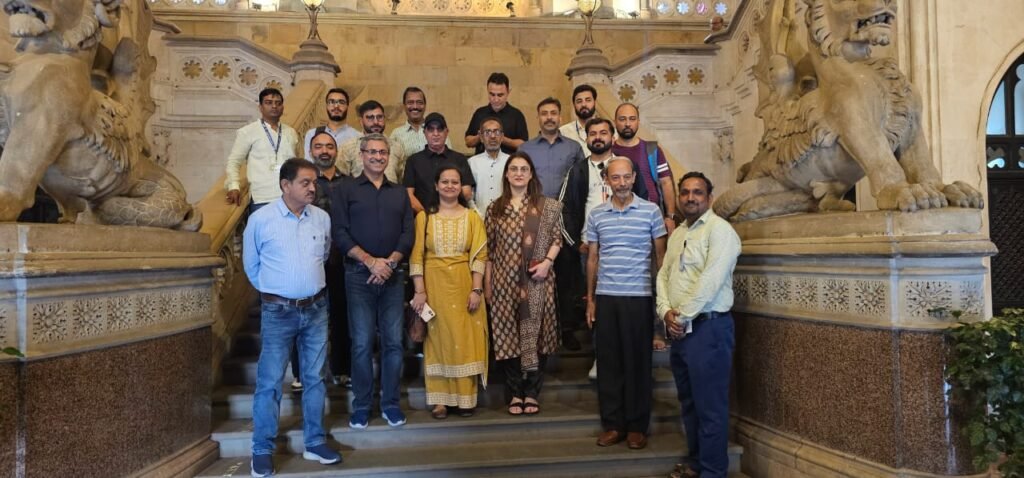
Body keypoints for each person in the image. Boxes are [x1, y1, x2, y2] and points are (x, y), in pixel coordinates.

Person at [243, 158, 341, 477]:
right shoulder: (261, 219)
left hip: (316, 309)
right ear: (286, 185)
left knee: (315, 378)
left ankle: (314, 442)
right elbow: (251, 266)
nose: (313, 188)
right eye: (305, 182)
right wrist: (277, 292)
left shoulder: (322, 218)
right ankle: (262, 448)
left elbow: (323, 256)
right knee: (270, 382)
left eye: (314, 182)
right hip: (278, 311)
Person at [657, 172, 741, 478]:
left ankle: (713, 472)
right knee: (689, 403)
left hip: (709, 330)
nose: (690, 198)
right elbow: (663, 274)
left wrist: (680, 317)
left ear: (709, 198)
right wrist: (665, 311)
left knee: (710, 408)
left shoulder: (721, 231)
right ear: (679, 197)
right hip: (682, 333)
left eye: (698, 192)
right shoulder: (679, 233)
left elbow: (711, 281)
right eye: (685, 192)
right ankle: (696, 464)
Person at [330, 133, 414, 429]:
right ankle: (362, 406)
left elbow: (408, 233)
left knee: (393, 343)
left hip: (393, 276)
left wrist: (389, 263)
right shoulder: (345, 189)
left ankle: (390, 404)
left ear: (389, 156)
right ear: (362, 155)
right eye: (372, 152)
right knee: (362, 343)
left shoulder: (399, 193)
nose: (378, 157)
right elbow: (339, 232)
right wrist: (370, 261)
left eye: (383, 152)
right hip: (358, 275)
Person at [585, 157, 667, 451]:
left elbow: (660, 258)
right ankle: (613, 425)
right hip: (607, 296)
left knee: (637, 363)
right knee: (609, 364)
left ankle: (636, 427)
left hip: (639, 297)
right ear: (607, 180)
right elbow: (592, 259)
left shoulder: (651, 211)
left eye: (626, 177)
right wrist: (591, 300)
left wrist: (662, 301)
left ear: (633, 178)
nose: (621, 183)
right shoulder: (597, 214)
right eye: (615, 177)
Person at [558, 117, 647, 378]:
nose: (598, 137)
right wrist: (577, 244)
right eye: (593, 133)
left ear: (612, 136)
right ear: (586, 139)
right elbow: (564, 210)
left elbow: (643, 199)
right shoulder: (578, 170)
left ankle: (629, 359)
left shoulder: (627, 167)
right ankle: (601, 357)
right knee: (596, 306)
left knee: (625, 307)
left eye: (603, 132)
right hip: (591, 251)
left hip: (626, 249)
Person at [485, 152, 562, 416]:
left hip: (538, 281)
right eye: (514, 169)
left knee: (537, 336)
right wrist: (488, 287)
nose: (519, 173)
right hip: (503, 284)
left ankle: (532, 393)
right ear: (506, 174)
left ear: (531, 175)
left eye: (524, 169)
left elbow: (557, 240)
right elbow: (489, 252)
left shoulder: (545, 207)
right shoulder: (495, 209)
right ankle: (515, 392)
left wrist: (547, 263)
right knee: (508, 337)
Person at [410, 165, 489, 420]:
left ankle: (465, 398)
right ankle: (440, 401)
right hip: (434, 287)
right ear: (436, 186)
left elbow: (479, 256)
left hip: (464, 284)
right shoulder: (424, 218)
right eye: (445, 181)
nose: (450, 186)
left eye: (455, 182)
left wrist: (476, 289)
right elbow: (416, 257)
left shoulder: (472, 217)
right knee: (437, 340)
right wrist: (420, 291)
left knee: (464, 339)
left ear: (462, 187)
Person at [519, 97, 586, 350]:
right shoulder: (526, 148)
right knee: (536, 275)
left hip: (565, 221)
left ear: (560, 117)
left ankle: (566, 329)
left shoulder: (573, 148)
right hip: (534, 220)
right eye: (544, 113)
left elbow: (580, 183)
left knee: (566, 276)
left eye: (553, 113)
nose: (549, 117)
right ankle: (538, 329)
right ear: (538, 117)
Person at [309, 131, 351, 388]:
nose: (324, 151)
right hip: (310, 259)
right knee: (310, 317)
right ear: (311, 151)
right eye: (319, 147)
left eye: (329, 146)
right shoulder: (305, 182)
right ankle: (306, 374)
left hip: (341, 259)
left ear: (336, 152)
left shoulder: (349, 183)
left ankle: (342, 369)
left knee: (341, 315)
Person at [225, 88, 300, 210]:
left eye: (278, 103)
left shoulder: (290, 132)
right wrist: (234, 186)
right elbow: (234, 161)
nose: (274, 106)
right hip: (262, 199)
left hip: (290, 197)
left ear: (282, 107)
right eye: (269, 102)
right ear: (260, 107)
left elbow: (296, 163)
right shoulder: (248, 132)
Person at [612, 103, 677, 233]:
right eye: (622, 119)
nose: (627, 124)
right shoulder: (608, 151)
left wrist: (670, 216)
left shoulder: (652, 149)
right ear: (615, 122)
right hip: (617, 218)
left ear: (638, 121)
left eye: (632, 119)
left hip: (651, 219)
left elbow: (666, 182)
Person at [404, 112, 475, 213]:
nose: (436, 134)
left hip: (454, 217)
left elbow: (467, 193)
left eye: (440, 129)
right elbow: (408, 195)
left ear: (446, 132)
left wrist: (448, 215)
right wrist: (426, 217)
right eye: (431, 129)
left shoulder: (460, 159)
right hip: (423, 217)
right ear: (424, 133)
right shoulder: (413, 161)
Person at [338, 100, 406, 183]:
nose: (376, 122)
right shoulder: (348, 147)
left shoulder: (396, 147)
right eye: (370, 118)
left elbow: (402, 181)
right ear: (361, 121)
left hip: (392, 191)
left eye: (379, 117)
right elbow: (340, 181)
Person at [464, 72, 529, 155]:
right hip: (482, 161)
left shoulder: (516, 115)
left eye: (500, 95)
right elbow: (468, 142)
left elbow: (523, 144)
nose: (496, 99)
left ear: (508, 92)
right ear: (487, 91)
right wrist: (481, 136)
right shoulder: (479, 113)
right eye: (492, 94)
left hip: (508, 161)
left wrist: (501, 138)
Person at [390, 86, 451, 160]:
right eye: (410, 102)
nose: (415, 106)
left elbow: (449, 157)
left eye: (419, 102)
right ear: (404, 106)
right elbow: (392, 162)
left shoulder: (438, 131)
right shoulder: (396, 134)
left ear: (425, 105)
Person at [303, 88, 360, 162]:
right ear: (326, 106)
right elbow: (309, 164)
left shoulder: (357, 136)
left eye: (341, 102)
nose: (336, 106)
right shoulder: (312, 134)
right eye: (331, 102)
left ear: (347, 106)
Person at [467, 117, 510, 217]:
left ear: (502, 136)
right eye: (487, 132)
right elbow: (469, 196)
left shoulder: (511, 162)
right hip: (479, 218)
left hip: (507, 218)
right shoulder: (472, 163)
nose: (492, 136)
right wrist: (477, 216)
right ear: (481, 137)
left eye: (497, 132)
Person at [559, 84, 599, 153]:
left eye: (588, 100)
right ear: (574, 105)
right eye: (579, 101)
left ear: (595, 102)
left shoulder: (608, 131)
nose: (583, 104)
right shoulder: (563, 132)